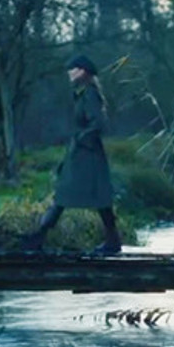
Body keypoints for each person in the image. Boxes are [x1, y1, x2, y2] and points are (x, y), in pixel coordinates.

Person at [21, 55, 122, 254]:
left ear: (83, 71)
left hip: (88, 156)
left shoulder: (90, 94)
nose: (69, 73)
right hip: (82, 155)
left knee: (90, 198)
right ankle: (39, 236)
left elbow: (98, 124)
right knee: (71, 195)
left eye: (73, 69)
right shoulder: (83, 93)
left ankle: (39, 237)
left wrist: (81, 140)